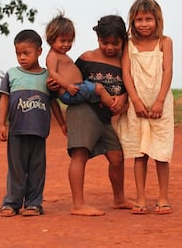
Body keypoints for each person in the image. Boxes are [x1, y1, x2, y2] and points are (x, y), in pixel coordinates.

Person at [47, 14, 133, 216]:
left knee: (117, 157)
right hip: (82, 112)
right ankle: (78, 204)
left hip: (104, 118)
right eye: (105, 43)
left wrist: (124, 97)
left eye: (115, 43)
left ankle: (119, 198)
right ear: (98, 39)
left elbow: (130, 85)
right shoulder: (85, 59)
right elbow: (66, 82)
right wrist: (54, 87)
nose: (110, 47)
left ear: (123, 41)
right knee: (80, 155)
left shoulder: (125, 62)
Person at [0, 29, 66, 217]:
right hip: (16, 131)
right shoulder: (11, 74)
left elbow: (54, 103)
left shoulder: (47, 77)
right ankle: (11, 203)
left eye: (26, 53)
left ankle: (34, 203)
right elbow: (4, 100)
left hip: (38, 132)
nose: (21, 57)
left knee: (37, 169)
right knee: (16, 169)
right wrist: (2, 124)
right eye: (18, 53)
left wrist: (62, 123)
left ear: (39, 52)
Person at [117, 0, 174, 215]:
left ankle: (163, 198)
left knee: (161, 153)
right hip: (136, 106)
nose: (144, 23)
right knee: (140, 154)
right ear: (133, 21)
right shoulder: (128, 44)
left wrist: (159, 101)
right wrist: (136, 101)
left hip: (162, 106)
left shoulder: (165, 42)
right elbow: (126, 74)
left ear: (157, 19)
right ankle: (140, 198)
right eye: (139, 19)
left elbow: (168, 71)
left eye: (148, 19)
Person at [45, 13, 115, 108]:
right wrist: (67, 86)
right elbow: (53, 74)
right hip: (69, 91)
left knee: (97, 94)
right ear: (51, 40)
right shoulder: (53, 56)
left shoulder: (62, 55)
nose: (66, 44)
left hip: (77, 88)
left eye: (69, 41)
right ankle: (115, 107)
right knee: (99, 88)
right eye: (62, 41)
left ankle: (109, 102)